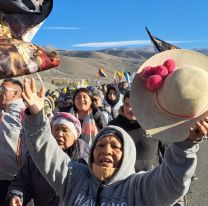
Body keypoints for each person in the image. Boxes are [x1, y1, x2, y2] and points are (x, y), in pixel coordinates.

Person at [21, 78, 208, 206]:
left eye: (115, 146)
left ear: (127, 155)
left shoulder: (138, 188)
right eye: (100, 145)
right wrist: (37, 115)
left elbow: (172, 182)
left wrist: (186, 144)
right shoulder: (74, 178)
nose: (106, 150)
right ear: (92, 151)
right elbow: (45, 151)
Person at [7, 112, 89, 206]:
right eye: (56, 129)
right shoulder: (38, 156)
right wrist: (16, 196)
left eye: (65, 130)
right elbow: (22, 183)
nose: (59, 134)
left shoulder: (85, 162)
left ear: (75, 135)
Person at [109, 91, 162, 171]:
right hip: (124, 179)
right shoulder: (114, 126)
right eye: (127, 104)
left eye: (134, 105)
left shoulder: (154, 124)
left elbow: (168, 151)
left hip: (152, 179)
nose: (130, 109)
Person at [0, 78, 27, 206]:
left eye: (3, 89)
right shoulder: (4, 112)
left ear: (16, 93)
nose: (0, 92)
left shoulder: (25, 115)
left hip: (14, 181)